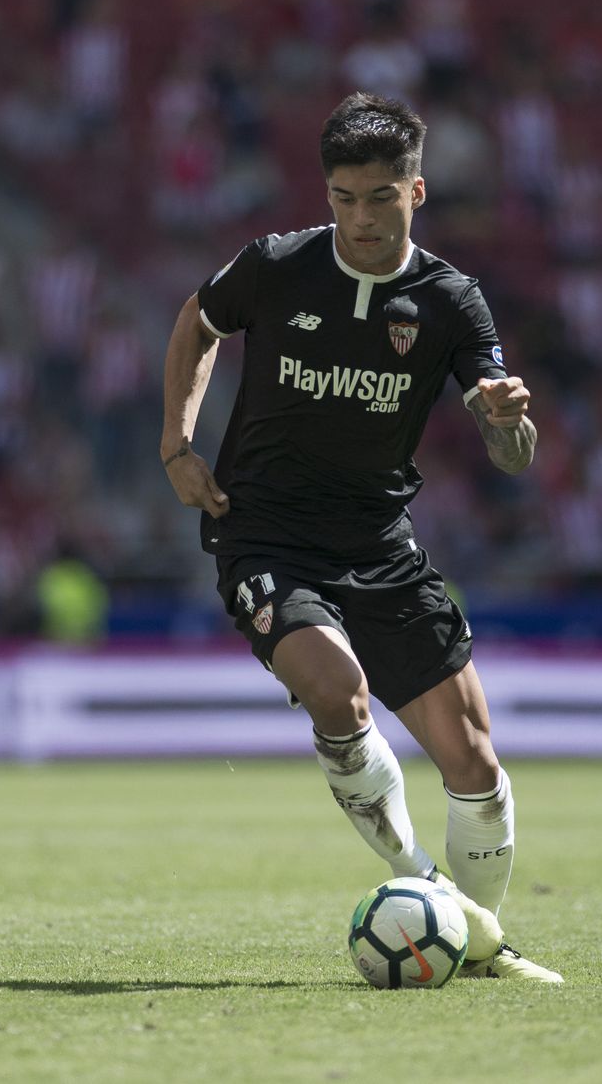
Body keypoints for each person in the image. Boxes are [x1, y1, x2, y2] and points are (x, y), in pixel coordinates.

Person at [160, 93, 562, 982]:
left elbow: (513, 454)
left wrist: (506, 422)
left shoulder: (451, 301)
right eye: (344, 197)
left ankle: (477, 938)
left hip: (380, 544)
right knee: (338, 692)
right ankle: (416, 882)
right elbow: (197, 320)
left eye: (381, 196)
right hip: (262, 534)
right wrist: (177, 445)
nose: (361, 217)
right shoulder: (276, 266)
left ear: (417, 190)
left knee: (474, 760)